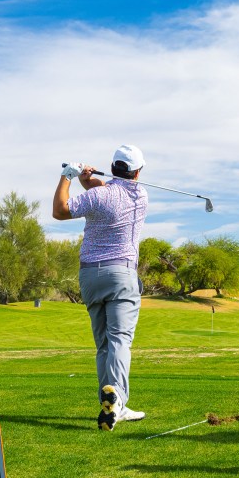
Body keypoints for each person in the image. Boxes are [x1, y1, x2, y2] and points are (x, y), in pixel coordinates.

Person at [53, 145, 149, 430]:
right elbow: (107, 189)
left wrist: (68, 177)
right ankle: (117, 399)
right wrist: (85, 178)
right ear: (138, 171)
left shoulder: (98, 196)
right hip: (121, 274)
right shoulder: (141, 195)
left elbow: (60, 211)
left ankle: (112, 400)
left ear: (114, 166)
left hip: (90, 276)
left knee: (103, 344)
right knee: (120, 339)